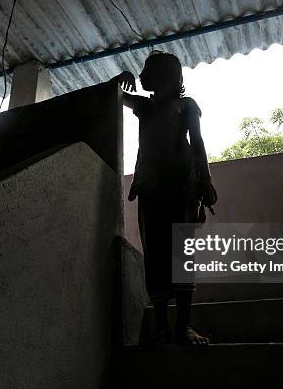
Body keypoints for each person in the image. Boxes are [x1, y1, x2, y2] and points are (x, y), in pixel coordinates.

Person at [111, 50, 218, 346]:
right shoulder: (144, 108)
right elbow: (116, 96)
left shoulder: (186, 105)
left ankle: (182, 326)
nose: (142, 75)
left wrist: (206, 180)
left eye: (148, 70)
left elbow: (197, 143)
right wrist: (120, 81)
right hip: (149, 189)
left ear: (168, 76)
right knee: (155, 256)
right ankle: (161, 326)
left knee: (182, 255)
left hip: (183, 187)